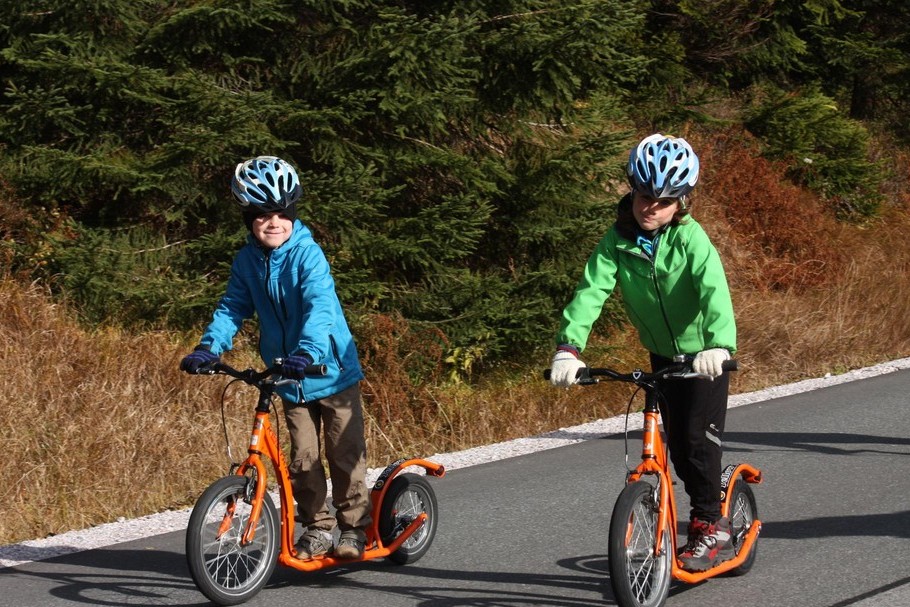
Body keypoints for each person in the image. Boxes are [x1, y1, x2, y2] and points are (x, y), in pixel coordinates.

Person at [548, 134, 737, 572]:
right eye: (644, 195)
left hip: (706, 359)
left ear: (681, 202)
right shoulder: (617, 240)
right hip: (661, 357)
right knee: (669, 443)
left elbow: (715, 294)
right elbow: (591, 292)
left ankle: (711, 522)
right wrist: (568, 349)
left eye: (664, 200)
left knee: (694, 443)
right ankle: (661, 508)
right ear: (632, 189)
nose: (650, 207)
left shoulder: (691, 239)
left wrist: (718, 345)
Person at [180, 156, 371, 560]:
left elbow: (320, 306)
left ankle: (354, 530)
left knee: (344, 454)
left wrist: (307, 351)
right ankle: (318, 528)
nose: (274, 222)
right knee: (301, 459)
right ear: (249, 219)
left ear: (293, 214)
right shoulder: (246, 261)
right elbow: (232, 306)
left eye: (282, 213)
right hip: (288, 376)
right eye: (263, 215)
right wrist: (209, 347)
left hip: (329, 369)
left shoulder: (308, 255)